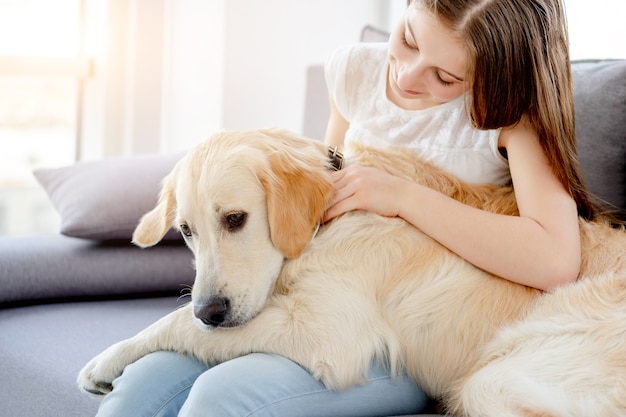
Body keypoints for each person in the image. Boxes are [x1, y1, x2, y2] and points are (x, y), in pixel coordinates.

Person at [94, 0, 602, 416]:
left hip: (397, 332)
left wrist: (400, 197)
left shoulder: (508, 113)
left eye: (445, 77)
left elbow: (556, 258)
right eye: (407, 39)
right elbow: (317, 205)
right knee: (140, 386)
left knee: (219, 398)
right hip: (328, 291)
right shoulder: (357, 71)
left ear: (494, 76)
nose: (406, 76)